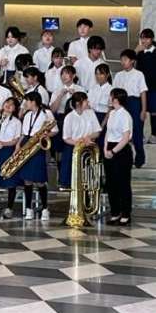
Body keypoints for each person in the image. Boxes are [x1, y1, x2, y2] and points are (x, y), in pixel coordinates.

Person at [16, 91, 58, 220]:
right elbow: (24, 133)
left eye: (27, 101)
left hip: (38, 145)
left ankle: (45, 208)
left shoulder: (46, 113)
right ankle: (28, 208)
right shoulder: (27, 115)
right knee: (27, 179)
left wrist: (45, 135)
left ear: (33, 102)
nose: (25, 103)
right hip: (27, 142)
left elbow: (55, 130)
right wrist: (18, 145)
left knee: (40, 180)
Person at [0, 97, 22, 219]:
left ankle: (9, 209)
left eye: (12, 104)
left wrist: (4, 144)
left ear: (15, 109)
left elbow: (16, 140)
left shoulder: (17, 122)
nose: (8, 105)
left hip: (9, 151)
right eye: (7, 102)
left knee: (10, 181)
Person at [104, 88, 133, 226]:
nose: (109, 98)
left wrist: (113, 151)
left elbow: (125, 137)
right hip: (110, 148)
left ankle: (126, 213)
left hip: (121, 151)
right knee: (111, 184)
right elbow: (108, 133)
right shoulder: (112, 113)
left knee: (123, 183)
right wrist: (105, 149)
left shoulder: (125, 115)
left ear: (116, 99)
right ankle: (115, 212)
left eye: (111, 96)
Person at [113, 49, 147, 168]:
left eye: (125, 59)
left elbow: (143, 93)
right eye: (121, 59)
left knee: (137, 132)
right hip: (121, 104)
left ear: (132, 61)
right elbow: (114, 93)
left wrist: (143, 110)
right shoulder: (118, 75)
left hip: (135, 103)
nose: (123, 62)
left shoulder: (139, 74)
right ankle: (125, 158)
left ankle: (140, 158)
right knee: (122, 132)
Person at [60, 92, 101, 188]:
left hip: (89, 146)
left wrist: (88, 137)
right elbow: (66, 138)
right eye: (86, 101)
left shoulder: (91, 113)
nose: (88, 102)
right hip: (73, 148)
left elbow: (97, 131)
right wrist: (79, 142)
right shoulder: (69, 117)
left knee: (89, 175)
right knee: (71, 177)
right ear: (78, 103)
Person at [136, 28, 156, 143]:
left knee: (154, 111)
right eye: (142, 38)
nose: (144, 41)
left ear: (152, 39)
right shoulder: (140, 52)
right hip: (141, 87)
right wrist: (136, 51)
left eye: (147, 38)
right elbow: (131, 64)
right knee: (141, 111)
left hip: (154, 87)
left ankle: (154, 135)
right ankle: (140, 135)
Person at [88, 63, 112, 150]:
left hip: (104, 118)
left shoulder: (111, 89)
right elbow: (88, 105)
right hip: (92, 117)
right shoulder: (92, 88)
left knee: (101, 144)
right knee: (90, 144)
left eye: (101, 74)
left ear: (107, 75)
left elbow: (110, 109)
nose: (98, 76)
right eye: (96, 74)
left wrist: (102, 125)